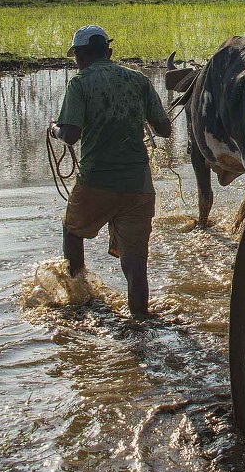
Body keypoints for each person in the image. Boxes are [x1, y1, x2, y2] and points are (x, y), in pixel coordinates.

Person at [50, 24, 173, 318]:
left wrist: (54, 129)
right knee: (136, 266)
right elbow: (165, 129)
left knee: (72, 230)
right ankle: (140, 322)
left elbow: (71, 135)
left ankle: (78, 297)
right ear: (109, 52)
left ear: (80, 57)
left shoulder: (79, 84)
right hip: (138, 186)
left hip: (96, 181)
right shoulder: (139, 81)